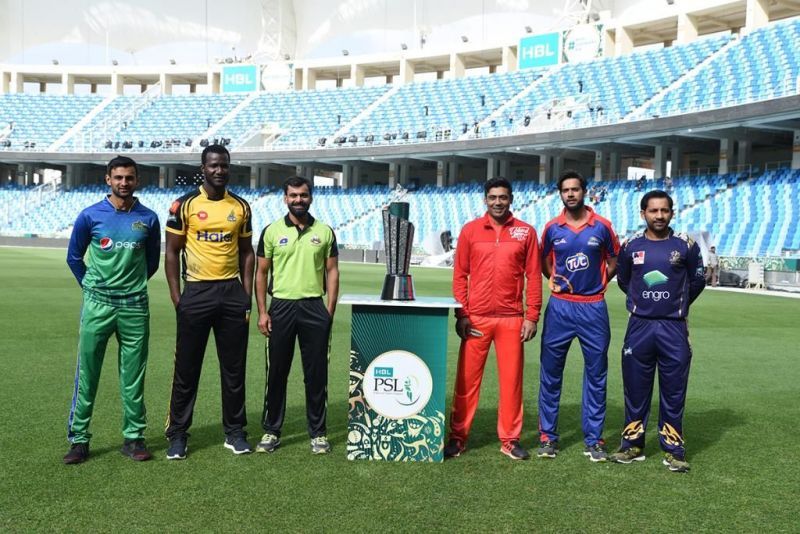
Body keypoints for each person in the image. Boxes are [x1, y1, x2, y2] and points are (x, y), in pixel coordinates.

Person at [64, 156, 160, 464]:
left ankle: (134, 438)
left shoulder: (148, 218)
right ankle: (79, 440)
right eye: (118, 177)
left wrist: (130, 287)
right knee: (88, 373)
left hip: (134, 307)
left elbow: (152, 262)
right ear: (108, 179)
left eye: (129, 177)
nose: (123, 182)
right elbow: (74, 258)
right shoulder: (90, 216)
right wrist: (92, 289)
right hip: (98, 305)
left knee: (133, 376)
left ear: (136, 180)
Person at [164, 144, 255, 460]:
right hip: (197, 292)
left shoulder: (241, 207)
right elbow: (172, 252)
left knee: (234, 369)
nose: (219, 170)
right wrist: (178, 297)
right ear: (203, 168)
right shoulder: (184, 205)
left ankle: (235, 432)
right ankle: (177, 435)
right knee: (187, 369)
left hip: (231, 294)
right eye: (214, 165)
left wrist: (244, 294)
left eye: (224, 165)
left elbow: (246, 252)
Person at [446, 177, 542, 460]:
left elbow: (533, 276)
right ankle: (458, 437)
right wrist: (462, 313)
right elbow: (460, 275)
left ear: (511, 199)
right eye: (492, 197)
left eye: (503, 197)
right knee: (466, 382)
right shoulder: (471, 231)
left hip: (512, 319)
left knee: (511, 383)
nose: (498, 202)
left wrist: (532, 315)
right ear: (485, 200)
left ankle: (510, 439)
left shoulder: (525, 232)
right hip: (476, 319)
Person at [610, 190, 705, 472]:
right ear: (643, 214)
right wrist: (645, 303)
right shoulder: (630, 246)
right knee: (635, 389)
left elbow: (697, 280)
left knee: (673, 391)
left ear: (672, 213)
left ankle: (674, 449)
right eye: (654, 211)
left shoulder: (686, 245)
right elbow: (624, 281)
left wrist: (677, 306)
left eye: (664, 211)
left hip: (673, 328)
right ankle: (632, 445)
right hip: (639, 326)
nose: (659, 216)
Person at [537, 170, 620, 462]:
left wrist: (599, 283)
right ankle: (548, 436)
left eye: (575, 189)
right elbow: (544, 262)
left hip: (593, 307)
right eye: (565, 190)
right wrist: (556, 280)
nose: (570, 194)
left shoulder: (603, 227)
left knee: (596, 375)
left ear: (585, 191)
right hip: (560, 305)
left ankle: (594, 440)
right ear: (560, 194)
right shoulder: (551, 229)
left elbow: (614, 260)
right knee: (550, 374)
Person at [254, 176, 340, 455]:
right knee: (277, 373)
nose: (298, 200)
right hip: (280, 307)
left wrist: (329, 311)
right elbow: (261, 272)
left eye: (303, 195)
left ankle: (318, 433)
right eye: (293, 195)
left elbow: (332, 272)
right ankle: (271, 431)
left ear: (311, 197)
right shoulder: (271, 231)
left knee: (316, 375)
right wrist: (263, 312)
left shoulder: (325, 231)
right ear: (285, 198)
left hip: (314, 307)